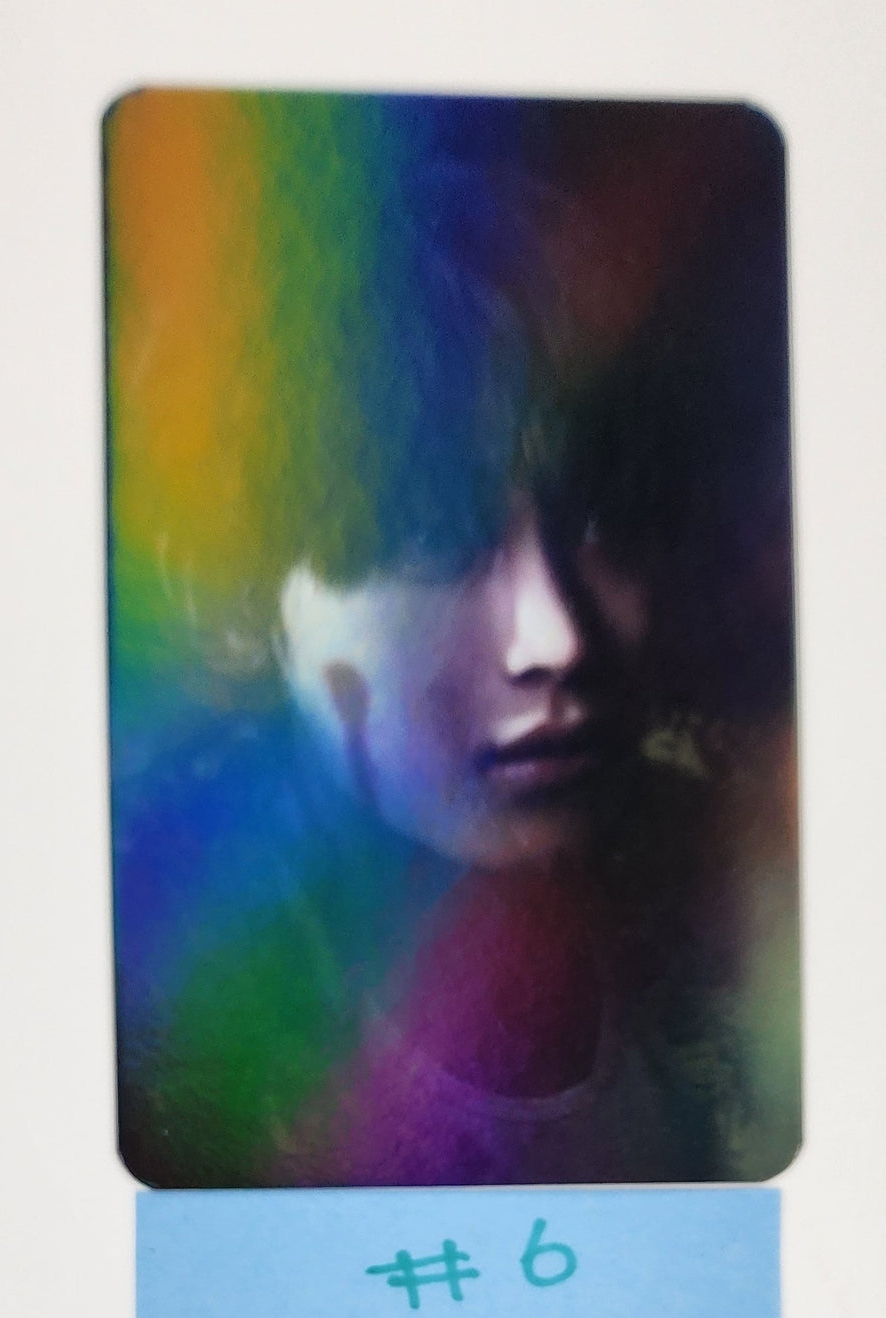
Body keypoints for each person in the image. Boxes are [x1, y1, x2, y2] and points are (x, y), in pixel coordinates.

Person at [109, 92, 800, 1187]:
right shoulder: (152, 943)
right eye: (437, 538)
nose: (551, 635)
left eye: (605, 524)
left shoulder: (740, 944)